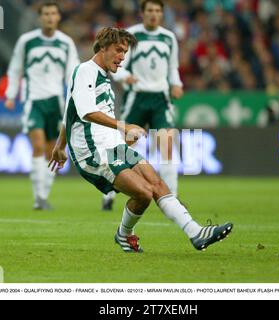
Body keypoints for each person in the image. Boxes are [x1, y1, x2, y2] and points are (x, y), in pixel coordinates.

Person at [48, 27, 233, 253]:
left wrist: (60, 147)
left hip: (113, 146)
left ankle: (195, 232)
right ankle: (124, 234)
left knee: (156, 184)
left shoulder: (104, 78)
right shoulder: (85, 70)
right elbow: (85, 112)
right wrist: (123, 126)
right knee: (143, 192)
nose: (122, 57)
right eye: (118, 50)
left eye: (125, 52)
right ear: (103, 47)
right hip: (93, 152)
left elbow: (70, 111)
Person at [102, 0, 184, 211]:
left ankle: (171, 198)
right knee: (122, 147)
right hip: (136, 98)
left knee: (167, 145)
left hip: (160, 99)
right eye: (150, 10)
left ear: (162, 14)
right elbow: (119, 64)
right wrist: (126, 76)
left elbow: (173, 67)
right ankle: (109, 192)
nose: (153, 14)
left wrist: (176, 83)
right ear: (142, 13)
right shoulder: (131, 35)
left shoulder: (168, 37)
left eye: (157, 11)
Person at [5, 1, 79, 210]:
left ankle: (43, 196)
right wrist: (11, 94)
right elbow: (15, 68)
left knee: (51, 152)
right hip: (33, 100)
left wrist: (77, 97)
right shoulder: (27, 41)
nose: (49, 17)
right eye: (45, 14)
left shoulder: (66, 43)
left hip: (56, 102)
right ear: (40, 17)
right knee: (37, 146)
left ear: (58, 17)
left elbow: (73, 74)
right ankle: (38, 197)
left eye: (53, 13)